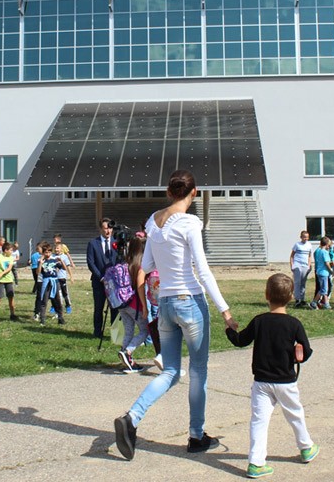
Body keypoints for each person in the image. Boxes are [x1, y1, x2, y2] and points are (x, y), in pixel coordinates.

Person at [114, 170, 237, 461]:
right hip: (190, 301)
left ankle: (132, 417)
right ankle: (196, 435)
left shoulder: (152, 222)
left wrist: (146, 300)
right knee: (198, 371)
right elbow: (202, 271)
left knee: (169, 371)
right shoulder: (190, 223)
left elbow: (146, 265)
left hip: (166, 304)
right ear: (194, 192)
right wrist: (225, 311)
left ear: (169, 192)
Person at [226, 273, 319, 477]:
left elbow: (240, 341)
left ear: (266, 295)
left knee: (259, 421)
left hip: (262, 382)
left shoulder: (259, 321)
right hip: (285, 381)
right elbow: (306, 352)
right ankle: (306, 447)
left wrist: (229, 330)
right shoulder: (294, 324)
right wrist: (299, 354)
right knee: (295, 414)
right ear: (291, 296)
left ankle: (256, 463)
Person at [118, 236, 153, 373]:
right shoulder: (140, 265)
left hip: (122, 304)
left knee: (129, 331)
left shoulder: (124, 264)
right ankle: (127, 351)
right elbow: (139, 286)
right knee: (145, 331)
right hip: (134, 304)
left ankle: (126, 360)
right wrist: (144, 306)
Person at [87, 218, 117, 337]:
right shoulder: (93, 243)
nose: (108, 231)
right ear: (100, 229)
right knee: (98, 307)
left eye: (110, 228)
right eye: (105, 228)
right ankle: (97, 332)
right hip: (99, 282)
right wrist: (101, 277)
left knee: (115, 309)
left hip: (114, 282)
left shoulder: (117, 243)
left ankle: (115, 333)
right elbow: (91, 262)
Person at [35, 243, 65, 326]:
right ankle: (42, 319)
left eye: (49, 252)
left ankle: (60, 318)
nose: (48, 254)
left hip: (55, 282)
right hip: (46, 281)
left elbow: (63, 268)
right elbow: (38, 272)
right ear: (43, 253)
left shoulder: (54, 260)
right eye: (46, 252)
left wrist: (61, 261)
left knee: (57, 301)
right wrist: (40, 263)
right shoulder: (41, 261)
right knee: (44, 300)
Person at [0, 244, 18, 322]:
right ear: (6, 250)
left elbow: (9, 268)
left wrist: (2, 273)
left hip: (9, 280)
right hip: (0, 281)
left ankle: (12, 314)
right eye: (11, 250)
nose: (12, 252)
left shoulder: (11, 258)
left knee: (11, 297)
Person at [289, 230, 313, 308]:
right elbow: (292, 255)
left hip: (305, 266)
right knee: (297, 282)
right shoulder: (297, 245)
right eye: (304, 237)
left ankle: (302, 299)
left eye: (307, 237)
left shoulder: (309, 245)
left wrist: (309, 265)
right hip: (297, 265)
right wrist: (292, 265)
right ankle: (297, 299)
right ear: (301, 237)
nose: (306, 239)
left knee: (303, 283)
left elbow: (309, 256)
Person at [311, 237, 334, 310]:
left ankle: (323, 303)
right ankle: (316, 303)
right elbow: (327, 263)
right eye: (329, 245)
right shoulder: (325, 252)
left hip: (319, 272)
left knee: (323, 289)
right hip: (324, 273)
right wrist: (331, 271)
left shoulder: (319, 251)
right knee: (324, 289)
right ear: (327, 244)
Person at [55, 245, 74, 315]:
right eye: (55, 248)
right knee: (56, 293)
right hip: (55, 278)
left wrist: (71, 276)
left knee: (65, 293)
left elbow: (68, 267)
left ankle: (68, 305)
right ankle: (55, 307)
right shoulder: (53, 256)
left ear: (61, 249)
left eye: (57, 248)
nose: (56, 249)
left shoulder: (64, 257)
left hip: (62, 278)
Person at [29, 243, 43, 320]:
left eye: (39, 248)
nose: (38, 250)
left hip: (46, 279)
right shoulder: (39, 257)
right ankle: (37, 313)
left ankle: (57, 312)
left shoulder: (49, 257)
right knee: (39, 296)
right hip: (39, 277)